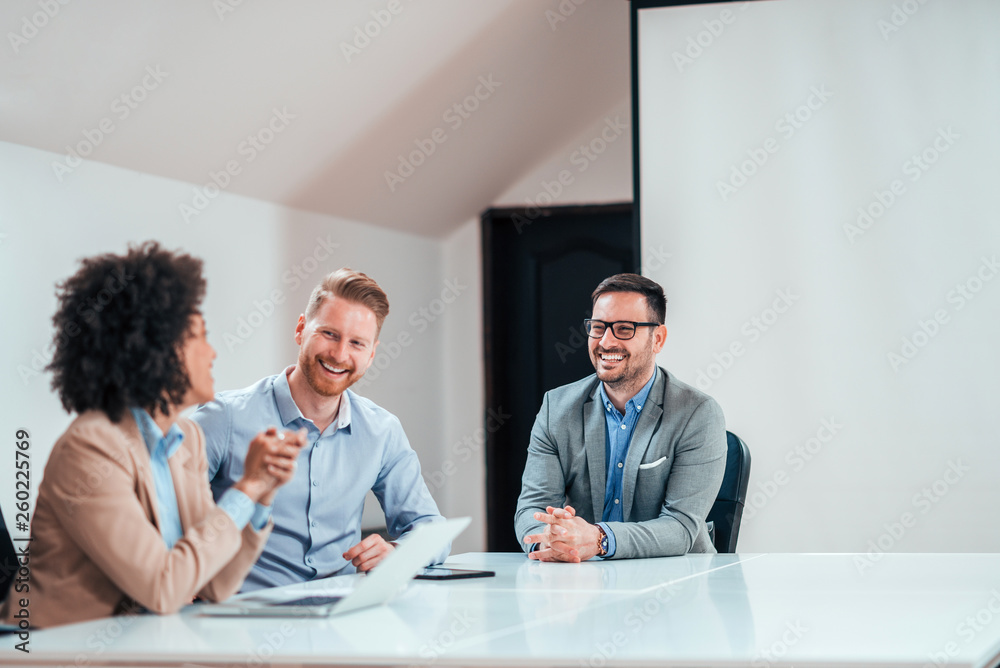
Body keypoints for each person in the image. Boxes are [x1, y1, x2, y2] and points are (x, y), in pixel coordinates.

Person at [0, 242, 304, 629]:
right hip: (58, 652)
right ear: (155, 347)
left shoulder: (187, 439)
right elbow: (164, 588)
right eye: (199, 335)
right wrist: (244, 489)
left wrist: (262, 493)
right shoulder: (89, 446)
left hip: (145, 643)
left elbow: (217, 584)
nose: (212, 353)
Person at [192, 267, 447, 591]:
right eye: (329, 334)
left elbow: (431, 528)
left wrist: (397, 552)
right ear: (301, 329)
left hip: (338, 622)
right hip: (241, 617)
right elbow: (164, 518)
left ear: (371, 355)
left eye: (356, 343)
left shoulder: (382, 431)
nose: (340, 354)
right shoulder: (224, 418)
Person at [515, 273, 727, 562]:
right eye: (598, 327)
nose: (606, 341)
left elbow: (680, 526)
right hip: (584, 575)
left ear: (658, 339)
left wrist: (600, 540)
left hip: (676, 581)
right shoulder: (557, 407)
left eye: (624, 329)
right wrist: (550, 543)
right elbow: (533, 507)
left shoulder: (697, 414)